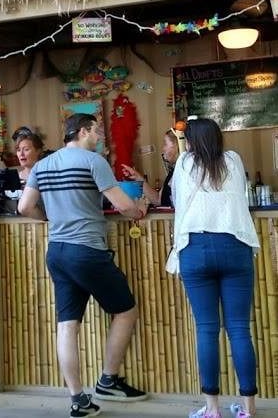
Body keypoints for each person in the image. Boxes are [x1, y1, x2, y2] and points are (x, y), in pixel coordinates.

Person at [18, 113, 149, 418]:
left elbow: (24, 207)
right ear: (82, 131)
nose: (100, 137)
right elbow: (123, 205)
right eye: (96, 131)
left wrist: (47, 217)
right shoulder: (93, 161)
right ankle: (108, 381)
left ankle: (78, 399)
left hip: (57, 252)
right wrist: (140, 210)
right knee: (126, 311)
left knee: (67, 325)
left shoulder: (42, 166)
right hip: (87, 251)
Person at [169, 118, 260, 418]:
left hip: (196, 249)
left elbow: (175, 198)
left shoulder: (184, 163)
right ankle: (247, 409)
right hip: (236, 246)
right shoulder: (233, 160)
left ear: (191, 142)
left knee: (207, 329)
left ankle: (212, 409)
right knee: (239, 328)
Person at [122, 125, 183, 206]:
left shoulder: (184, 173)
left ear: (176, 146)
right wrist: (137, 177)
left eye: (165, 144)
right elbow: (158, 200)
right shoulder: (172, 172)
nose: (163, 149)